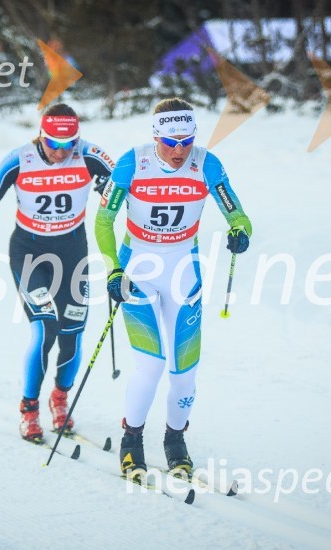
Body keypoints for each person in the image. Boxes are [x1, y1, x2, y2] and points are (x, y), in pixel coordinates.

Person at [94, 97, 252, 478]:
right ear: (156, 135)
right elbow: (103, 222)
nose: (180, 150)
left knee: (185, 372)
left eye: (187, 140)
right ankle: (131, 441)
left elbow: (238, 214)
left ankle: (175, 439)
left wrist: (240, 232)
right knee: (151, 365)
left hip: (184, 272)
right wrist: (114, 269)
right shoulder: (133, 163)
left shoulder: (207, 164)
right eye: (171, 142)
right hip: (139, 271)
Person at [0, 104, 115, 443]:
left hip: (72, 251)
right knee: (45, 327)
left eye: (69, 145)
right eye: (53, 144)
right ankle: (29, 408)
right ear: (41, 136)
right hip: (29, 252)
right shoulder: (19, 159)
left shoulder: (90, 154)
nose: (62, 152)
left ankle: (59, 398)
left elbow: (127, 182)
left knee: (73, 332)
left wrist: (111, 186)